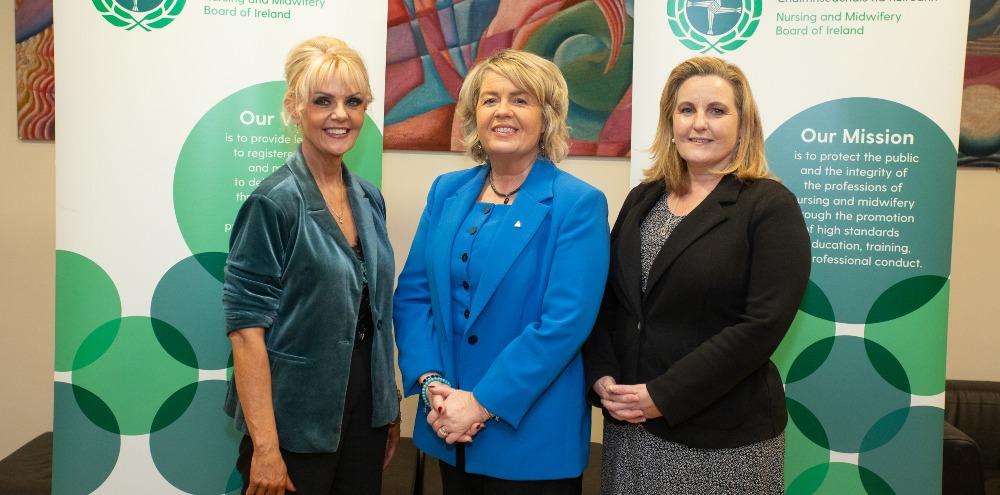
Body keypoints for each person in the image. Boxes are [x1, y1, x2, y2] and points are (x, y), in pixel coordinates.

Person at [583, 56, 811, 494]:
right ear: (670, 123)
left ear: (743, 126)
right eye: (686, 110)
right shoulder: (642, 199)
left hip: (721, 440)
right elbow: (608, 299)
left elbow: (761, 326)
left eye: (717, 110)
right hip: (630, 427)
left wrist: (663, 396)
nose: (699, 124)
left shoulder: (769, 205)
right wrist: (602, 373)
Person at [393, 49, 610, 494]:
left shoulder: (578, 204)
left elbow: (564, 324)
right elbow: (414, 294)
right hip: (448, 427)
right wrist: (432, 383)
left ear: (547, 117)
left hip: (531, 438)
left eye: (521, 99)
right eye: (490, 100)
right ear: (474, 114)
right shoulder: (446, 191)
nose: (503, 111)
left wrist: (480, 403)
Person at [222, 36, 399, 495]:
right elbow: (246, 332)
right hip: (291, 424)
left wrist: (388, 406)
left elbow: (376, 313)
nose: (340, 114)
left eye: (353, 101)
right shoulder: (273, 202)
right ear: (295, 108)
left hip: (365, 420)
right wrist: (265, 448)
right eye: (323, 101)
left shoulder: (368, 197)